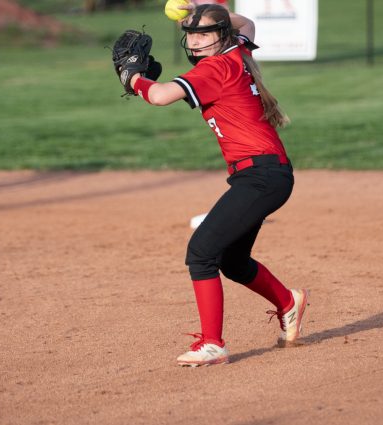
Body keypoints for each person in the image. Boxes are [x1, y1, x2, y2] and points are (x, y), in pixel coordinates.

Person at [125, 4, 309, 367]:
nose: (195, 40)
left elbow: (160, 96)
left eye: (203, 33)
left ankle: (213, 343)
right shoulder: (236, 49)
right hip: (263, 175)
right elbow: (249, 22)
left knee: (201, 253)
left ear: (220, 35)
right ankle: (289, 301)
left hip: (261, 177)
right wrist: (201, 9)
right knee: (233, 261)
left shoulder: (216, 67)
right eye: (191, 34)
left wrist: (131, 77)